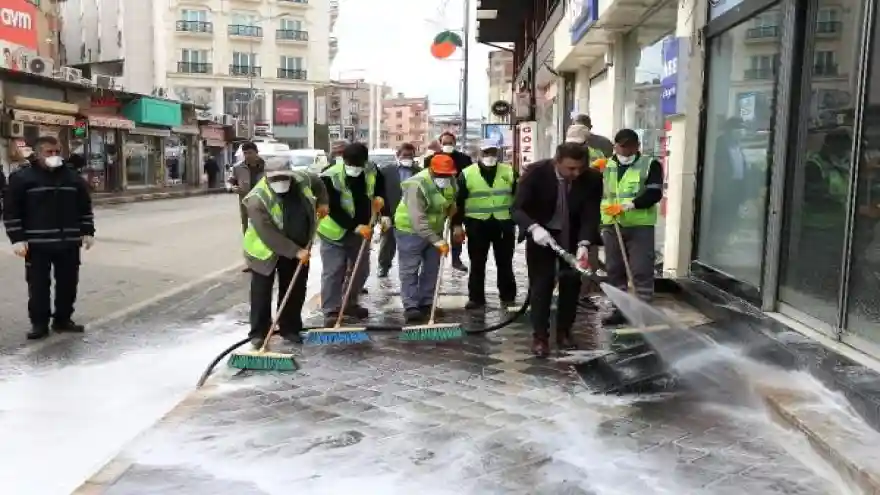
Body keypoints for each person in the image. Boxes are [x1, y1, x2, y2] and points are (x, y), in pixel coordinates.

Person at [512, 143, 602, 357]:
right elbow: (517, 208)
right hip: (542, 235)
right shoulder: (535, 173)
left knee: (571, 283)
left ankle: (564, 332)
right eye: (571, 168)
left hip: (572, 236)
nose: (576, 173)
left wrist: (584, 245)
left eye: (580, 168)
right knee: (541, 285)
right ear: (557, 161)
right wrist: (533, 228)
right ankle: (540, 337)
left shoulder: (592, 178)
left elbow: (591, 214)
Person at [3, 136, 95, 340]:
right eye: (49, 152)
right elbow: (11, 211)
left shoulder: (72, 177)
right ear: (37, 154)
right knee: (38, 287)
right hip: (37, 244)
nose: (54, 156)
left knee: (68, 284)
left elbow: (84, 206)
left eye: (57, 152)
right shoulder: (22, 178)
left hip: (69, 242)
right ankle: (39, 324)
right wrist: (17, 238)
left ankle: (63, 320)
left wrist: (88, 230)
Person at [242, 157, 329, 348]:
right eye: (275, 179)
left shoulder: (302, 179)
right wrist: (294, 251)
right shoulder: (256, 199)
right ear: (266, 177)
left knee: (295, 288)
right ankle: (259, 333)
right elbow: (267, 233)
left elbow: (318, 182)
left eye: (284, 177)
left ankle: (290, 328)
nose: (280, 182)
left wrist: (323, 201)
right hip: (264, 249)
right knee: (261, 292)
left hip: (298, 243)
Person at [600, 129, 664, 326]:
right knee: (614, 269)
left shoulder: (650, 164)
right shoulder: (605, 165)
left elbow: (654, 193)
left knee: (641, 269)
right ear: (615, 146)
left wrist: (631, 205)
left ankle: (643, 310)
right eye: (622, 146)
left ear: (638, 146)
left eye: (630, 146)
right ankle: (619, 310)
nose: (626, 151)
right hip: (612, 224)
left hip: (640, 225)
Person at [318, 142, 386, 325]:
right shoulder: (329, 176)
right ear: (344, 159)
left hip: (362, 230)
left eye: (358, 165)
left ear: (365, 161)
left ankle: (349, 303)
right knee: (334, 271)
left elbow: (380, 187)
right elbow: (332, 208)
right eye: (351, 164)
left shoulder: (372, 170)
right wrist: (353, 226)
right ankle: (331, 310)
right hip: (334, 230)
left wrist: (381, 202)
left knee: (360, 270)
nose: (354, 168)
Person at [452, 140, 518, 309]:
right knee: (477, 262)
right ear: (479, 154)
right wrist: (457, 224)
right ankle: (476, 298)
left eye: (493, 153)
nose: (490, 156)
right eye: (486, 153)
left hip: (503, 223)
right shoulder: (467, 174)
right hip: (477, 224)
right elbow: (458, 202)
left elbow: (519, 198)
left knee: (505, 262)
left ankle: (508, 295)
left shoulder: (509, 172)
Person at [393, 153, 459, 323]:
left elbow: (451, 199)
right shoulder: (416, 184)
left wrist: (452, 209)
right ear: (431, 170)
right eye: (440, 175)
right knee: (409, 269)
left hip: (435, 229)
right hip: (409, 230)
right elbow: (418, 219)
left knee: (432, 268)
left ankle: (427, 303)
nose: (444, 178)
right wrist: (436, 240)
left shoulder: (451, 180)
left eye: (447, 175)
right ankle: (411, 306)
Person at [377, 142, 421, 278]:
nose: (407, 158)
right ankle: (383, 266)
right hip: (390, 212)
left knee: (411, 244)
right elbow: (380, 192)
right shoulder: (386, 171)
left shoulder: (420, 172)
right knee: (387, 242)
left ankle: (410, 270)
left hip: (411, 214)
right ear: (398, 155)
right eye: (404, 155)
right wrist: (383, 214)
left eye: (410, 156)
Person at [437, 132, 471, 272]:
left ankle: (456, 260)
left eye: (450, 143)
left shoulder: (464, 159)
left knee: (457, 230)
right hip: (438, 201)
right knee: (436, 231)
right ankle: (434, 258)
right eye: (445, 143)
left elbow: (469, 179)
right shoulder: (433, 158)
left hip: (458, 200)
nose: (447, 145)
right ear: (440, 143)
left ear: (454, 143)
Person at [228, 141, 266, 235]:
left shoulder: (266, 166)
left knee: (263, 225)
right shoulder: (238, 167)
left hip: (263, 201)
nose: (247, 155)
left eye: (250, 152)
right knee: (246, 226)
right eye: (245, 153)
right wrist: (232, 188)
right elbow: (230, 181)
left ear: (256, 152)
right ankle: (248, 246)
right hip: (245, 201)